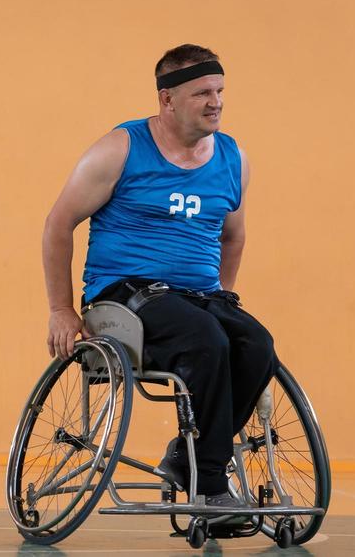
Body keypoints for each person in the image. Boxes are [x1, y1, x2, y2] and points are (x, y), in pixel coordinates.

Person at [40, 44, 277, 509]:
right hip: (126, 294)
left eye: (220, 91)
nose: (216, 102)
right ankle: (209, 485)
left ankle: (187, 458)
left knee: (255, 343)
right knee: (207, 339)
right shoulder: (121, 149)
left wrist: (223, 294)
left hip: (197, 295)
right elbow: (57, 225)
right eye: (201, 93)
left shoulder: (232, 159)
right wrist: (60, 310)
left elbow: (233, 236)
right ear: (167, 100)